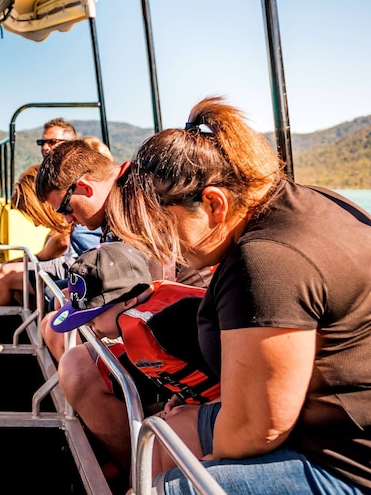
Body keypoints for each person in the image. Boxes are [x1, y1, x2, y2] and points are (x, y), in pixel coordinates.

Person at [106, 96, 371, 494]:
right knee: (164, 435)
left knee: (152, 489)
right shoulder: (307, 203)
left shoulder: (266, 260)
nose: (165, 251)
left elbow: (256, 428)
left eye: (165, 230)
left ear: (215, 203)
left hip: (345, 463)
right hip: (317, 424)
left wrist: (199, 473)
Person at [49, 242, 219, 490]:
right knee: (141, 472)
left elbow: (240, 373)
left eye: (93, 315)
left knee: (149, 466)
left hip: (231, 411)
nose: (90, 325)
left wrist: (204, 407)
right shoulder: (136, 321)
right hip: (197, 403)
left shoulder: (172, 321)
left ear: (128, 300)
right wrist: (181, 397)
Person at [35, 138, 213, 360]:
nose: (68, 219)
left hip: (192, 327)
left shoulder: (137, 206)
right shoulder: (122, 196)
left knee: (71, 355)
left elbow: (149, 293)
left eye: (65, 208)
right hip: (178, 317)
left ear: (84, 187)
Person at [0, 133, 106, 307]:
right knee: (19, 287)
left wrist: (37, 258)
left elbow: (70, 249)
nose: (37, 223)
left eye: (33, 216)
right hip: (75, 271)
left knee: (8, 274)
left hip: (73, 270)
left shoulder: (81, 230)